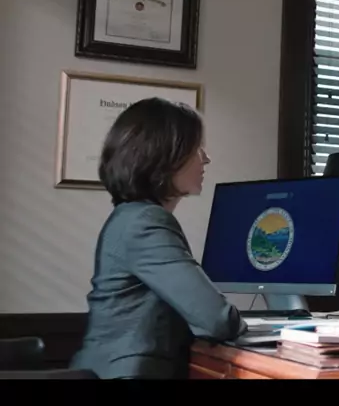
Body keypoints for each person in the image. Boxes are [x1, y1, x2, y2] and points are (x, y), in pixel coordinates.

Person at [70, 97, 247, 379]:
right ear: (164, 158)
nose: (206, 159)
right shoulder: (145, 222)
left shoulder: (131, 217)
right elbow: (217, 320)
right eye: (197, 149)